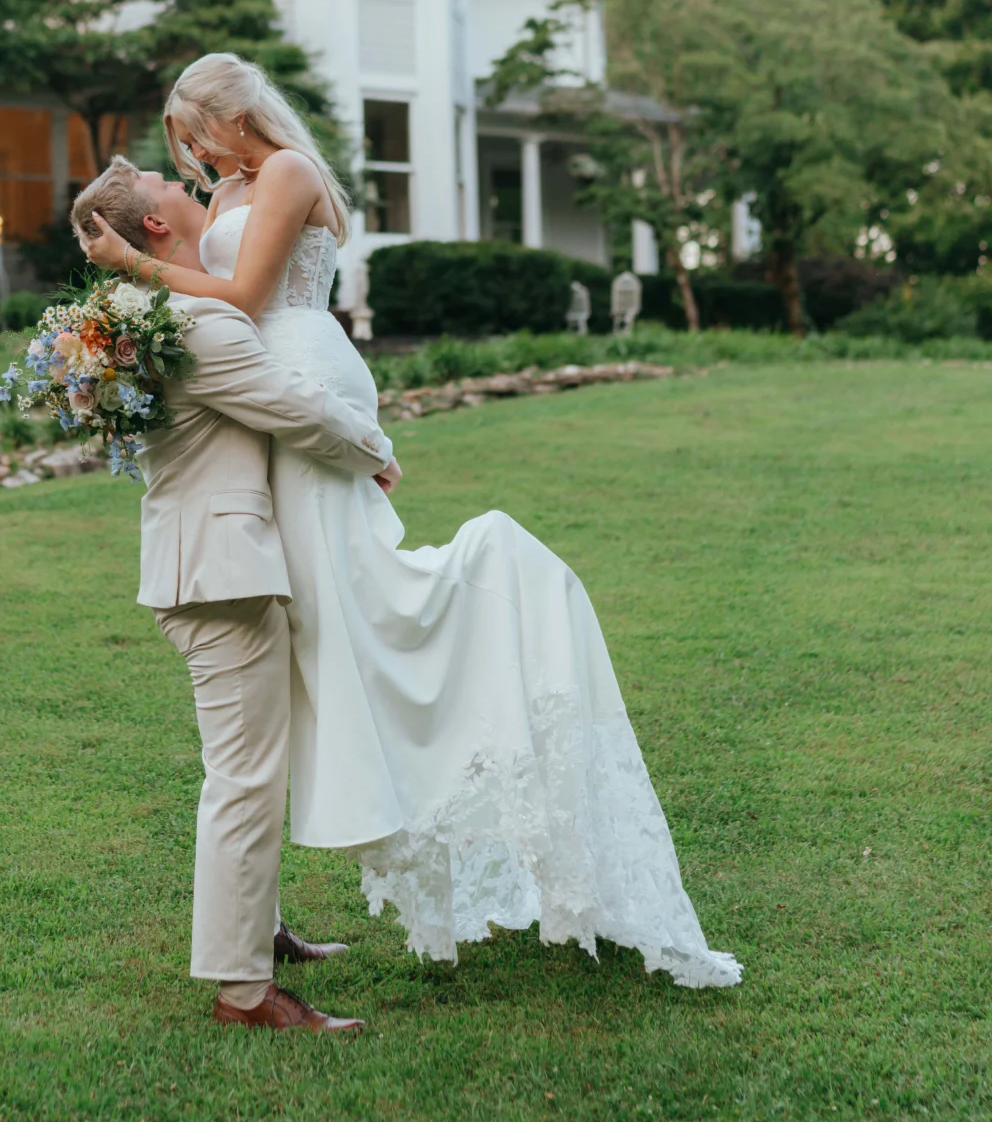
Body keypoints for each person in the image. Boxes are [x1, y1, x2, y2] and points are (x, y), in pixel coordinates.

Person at [79, 53, 739, 986]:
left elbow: (245, 297)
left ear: (228, 118)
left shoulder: (288, 173)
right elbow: (204, 283)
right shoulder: (227, 186)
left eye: (190, 135)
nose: (183, 155)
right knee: (319, 629)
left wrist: (132, 263)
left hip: (301, 372)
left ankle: (459, 676)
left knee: (362, 605)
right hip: (275, 399)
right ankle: (259, 914)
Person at [65, 157, 395, 1032]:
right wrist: (375, 448)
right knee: (245, 778)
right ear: (161, 230)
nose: (194, 188)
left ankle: (265, 930)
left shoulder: (162, 312)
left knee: (254, 766)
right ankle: (244, 991)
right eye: (172, 188)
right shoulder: (194, 326)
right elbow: (291, 406)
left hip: (212, 563)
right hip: (220, 573)